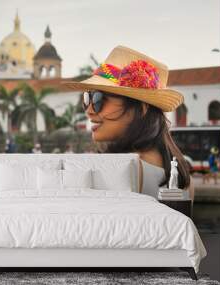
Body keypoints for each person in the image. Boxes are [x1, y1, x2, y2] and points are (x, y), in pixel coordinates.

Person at [63, 45, 194, 200]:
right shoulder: (186, 181)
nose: (89, 110)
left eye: (98, 99)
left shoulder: (120, 169)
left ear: (142, 108)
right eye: (87, 99)